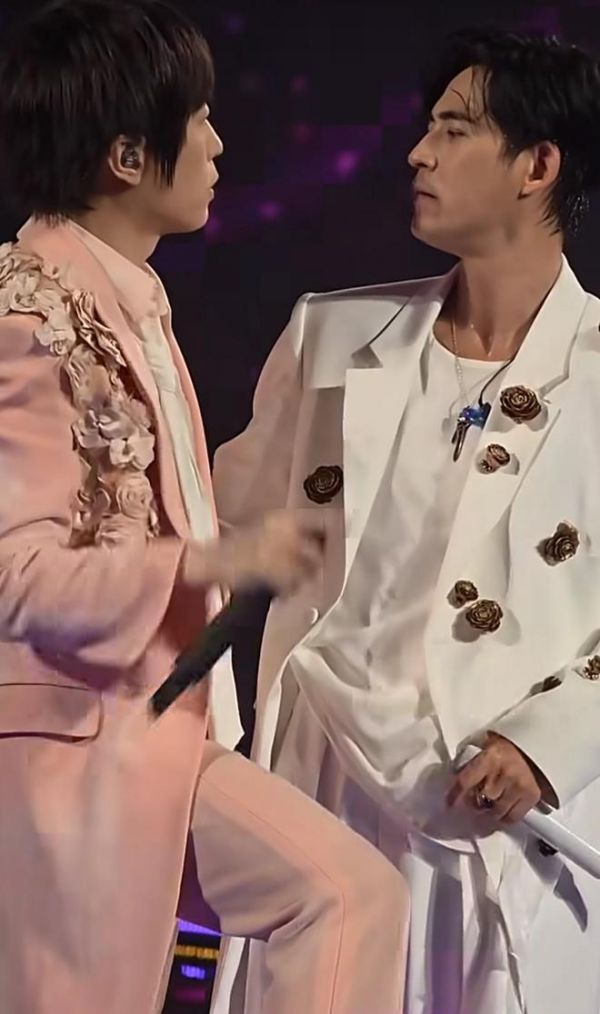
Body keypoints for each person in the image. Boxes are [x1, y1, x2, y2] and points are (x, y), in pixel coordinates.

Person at [0, 2, 410, 1012]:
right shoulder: (26, 318)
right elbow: (20, 580)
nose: (221, 143)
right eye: (200, 118)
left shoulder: (122, 298)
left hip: (157, 738)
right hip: (69, 757)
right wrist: (208, 563)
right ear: (128, 156)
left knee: (347, 894)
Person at [213, 27, 600, 1014]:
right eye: (426, 128)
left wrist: (547, 742)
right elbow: (210, 536)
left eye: (455, 130)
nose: (419, 153)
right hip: (324, 793)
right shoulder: (332, 333)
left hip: (500, 817)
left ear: (538, 166)